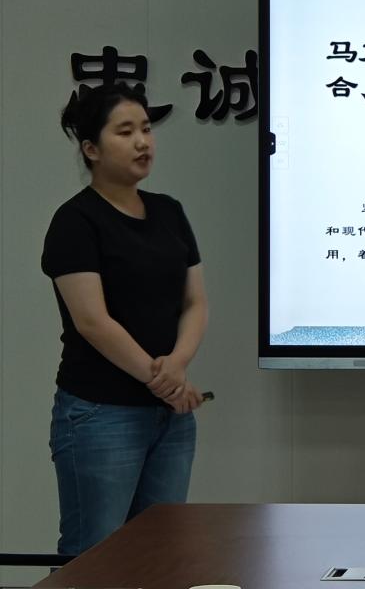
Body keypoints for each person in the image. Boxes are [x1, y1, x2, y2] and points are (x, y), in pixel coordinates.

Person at [42, 82, 208, 556]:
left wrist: (177, 364)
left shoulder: (169, 212)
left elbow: (195, 302)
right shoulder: (75, 221)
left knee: (159, 553)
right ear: (91, 149)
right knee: (94, 554)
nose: (142, 142)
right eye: (125, 132)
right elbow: (93, 322)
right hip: (100, 413)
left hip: (169, 416)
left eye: (147, 129)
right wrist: (164, 380)